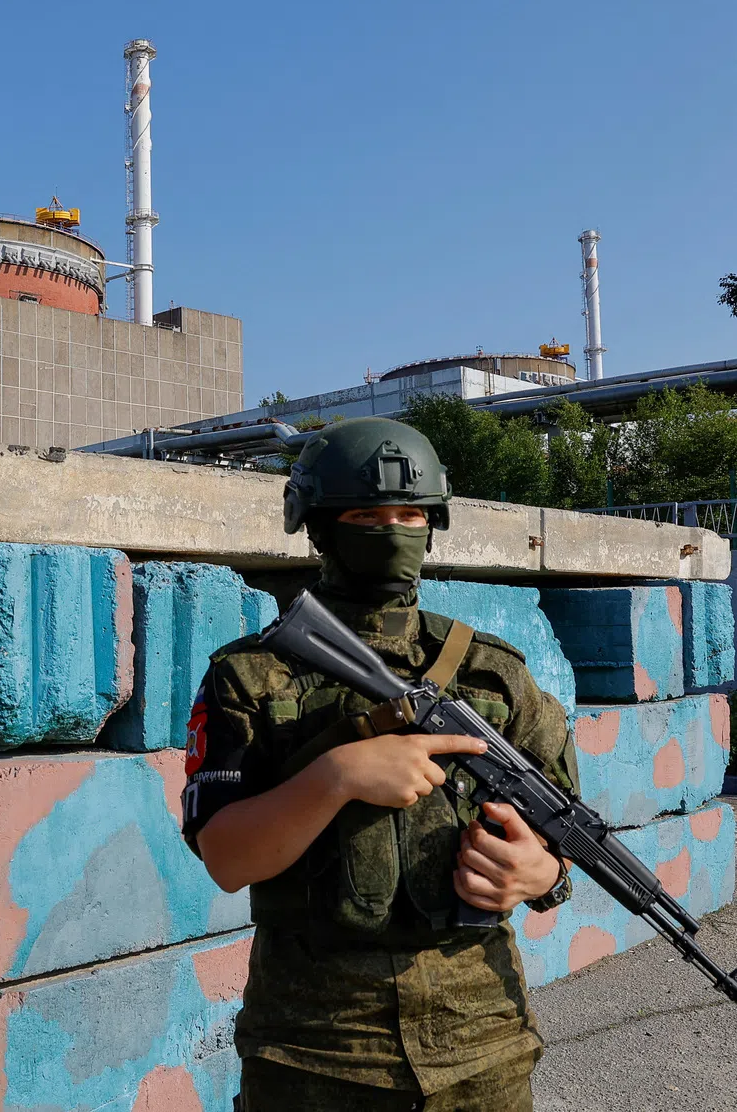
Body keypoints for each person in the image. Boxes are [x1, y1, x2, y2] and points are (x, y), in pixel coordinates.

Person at [181, 417, 579, 1112]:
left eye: (410, 513)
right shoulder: (252, 677)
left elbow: (559, 835)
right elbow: (226, 856)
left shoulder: (496, 677)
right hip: (316, 1054)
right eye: (366, 514)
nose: (393, 529)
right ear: (318, 524)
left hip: (483, 1044)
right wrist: (337, 778)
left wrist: (542, 874)